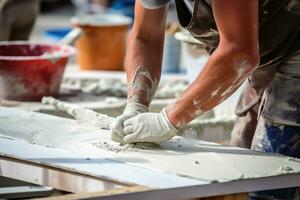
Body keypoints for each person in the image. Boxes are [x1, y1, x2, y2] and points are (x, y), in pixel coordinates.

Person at [111, 0, 300, 199]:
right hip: (270, 42)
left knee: (273, 173)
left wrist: (166, 121)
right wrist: (136, 104)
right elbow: (145, 36)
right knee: (242, 161)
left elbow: (239, 53)